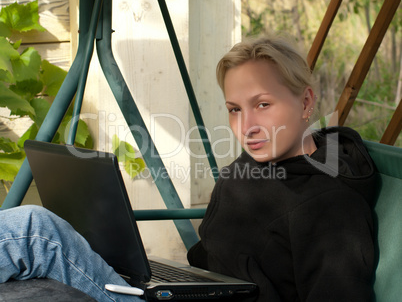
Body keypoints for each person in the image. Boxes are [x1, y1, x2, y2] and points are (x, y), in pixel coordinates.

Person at [0, 33, 376, 302]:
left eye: (263, 104)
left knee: (35, 230)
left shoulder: (334, 206)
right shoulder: (253, 167)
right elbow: (207, 260)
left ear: (306, 101)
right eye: (235, 109)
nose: (247, 126)